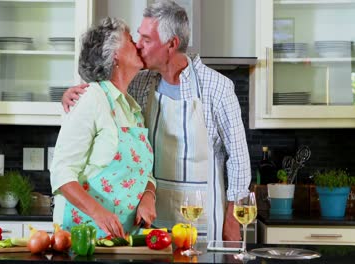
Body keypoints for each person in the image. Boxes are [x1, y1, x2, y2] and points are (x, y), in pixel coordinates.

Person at [62, 0, 251, 242]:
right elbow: (102, 93)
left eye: (147, 40)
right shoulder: (139, 84)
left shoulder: (218, 88)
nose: (138, 45)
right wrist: (71, 95)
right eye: (139, 37)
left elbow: (239, 159)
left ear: (172, 44)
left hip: (202, 220)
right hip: (149, 219)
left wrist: (232, 222)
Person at [50, 17, 157, 239]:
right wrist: (100, 214)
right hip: (82, 236)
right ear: (115, 53)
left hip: (121, 238)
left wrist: (148, 195)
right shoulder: (91, 98)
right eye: (130, 40)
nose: (137, 44)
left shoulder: (132, 108)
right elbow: (61, 172)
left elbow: (143, 172)